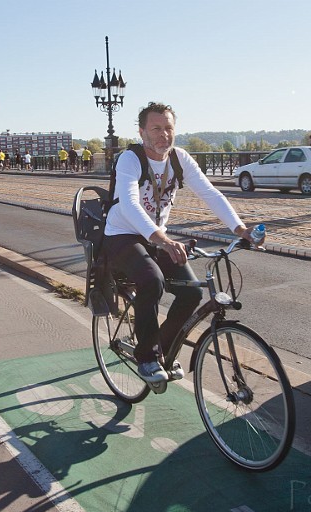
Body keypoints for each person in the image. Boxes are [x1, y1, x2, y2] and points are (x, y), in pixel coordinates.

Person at [103, 102, 258, 383]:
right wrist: (163, 240)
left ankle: (161, 347)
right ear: (142, 132)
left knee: (192, 293)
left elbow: (210, 193)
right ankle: (147, 358)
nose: (164, 134)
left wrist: (239, 228)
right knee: (152, 280)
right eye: (156, 129)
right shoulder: (130, 159)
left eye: (169, 128)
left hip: (156, 236)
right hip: (122, 234)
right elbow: (129, 205)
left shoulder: (179, 159)